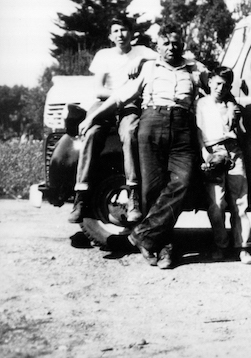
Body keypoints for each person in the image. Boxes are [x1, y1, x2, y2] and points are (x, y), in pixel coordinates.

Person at [78, 30, 208, 269]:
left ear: (183, 45)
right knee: (152, 190)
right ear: (158, 47)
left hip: (182, 128)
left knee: (184, 181)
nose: (171, 47)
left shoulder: (194, 70)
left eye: (176, 43)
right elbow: (120, 97)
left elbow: (214, 85)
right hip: (152, 124)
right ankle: (163, 248)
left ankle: (142, 236)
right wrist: (92, 117)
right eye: (166, 43)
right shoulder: (148, 69)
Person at [68, 18, 157, 224]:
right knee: (90, 133)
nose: (120, 34)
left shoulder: (142, 51)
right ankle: (81, 197)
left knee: (130, 133)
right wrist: (120, 95)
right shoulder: (103, 55)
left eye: (124, 30)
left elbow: (163, 60)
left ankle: (133, 194)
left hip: (129, 105)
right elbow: (98, 89)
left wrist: (142, 61)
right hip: (105, 103)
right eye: (115, 31)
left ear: (131, 33)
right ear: (110, 36)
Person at [196, 66, 251, 265]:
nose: (220, 88)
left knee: (239, 201)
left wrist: (233, 110)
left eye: (225, 85)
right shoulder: (200, 104)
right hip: (213, 151)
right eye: (217, 83)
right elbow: (198, 131)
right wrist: (204, 153)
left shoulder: (232, 105)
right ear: (210, 81)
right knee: (216, 203)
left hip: (233, 150)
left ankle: (243, 247)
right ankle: (220, 244)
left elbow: (241, 130)